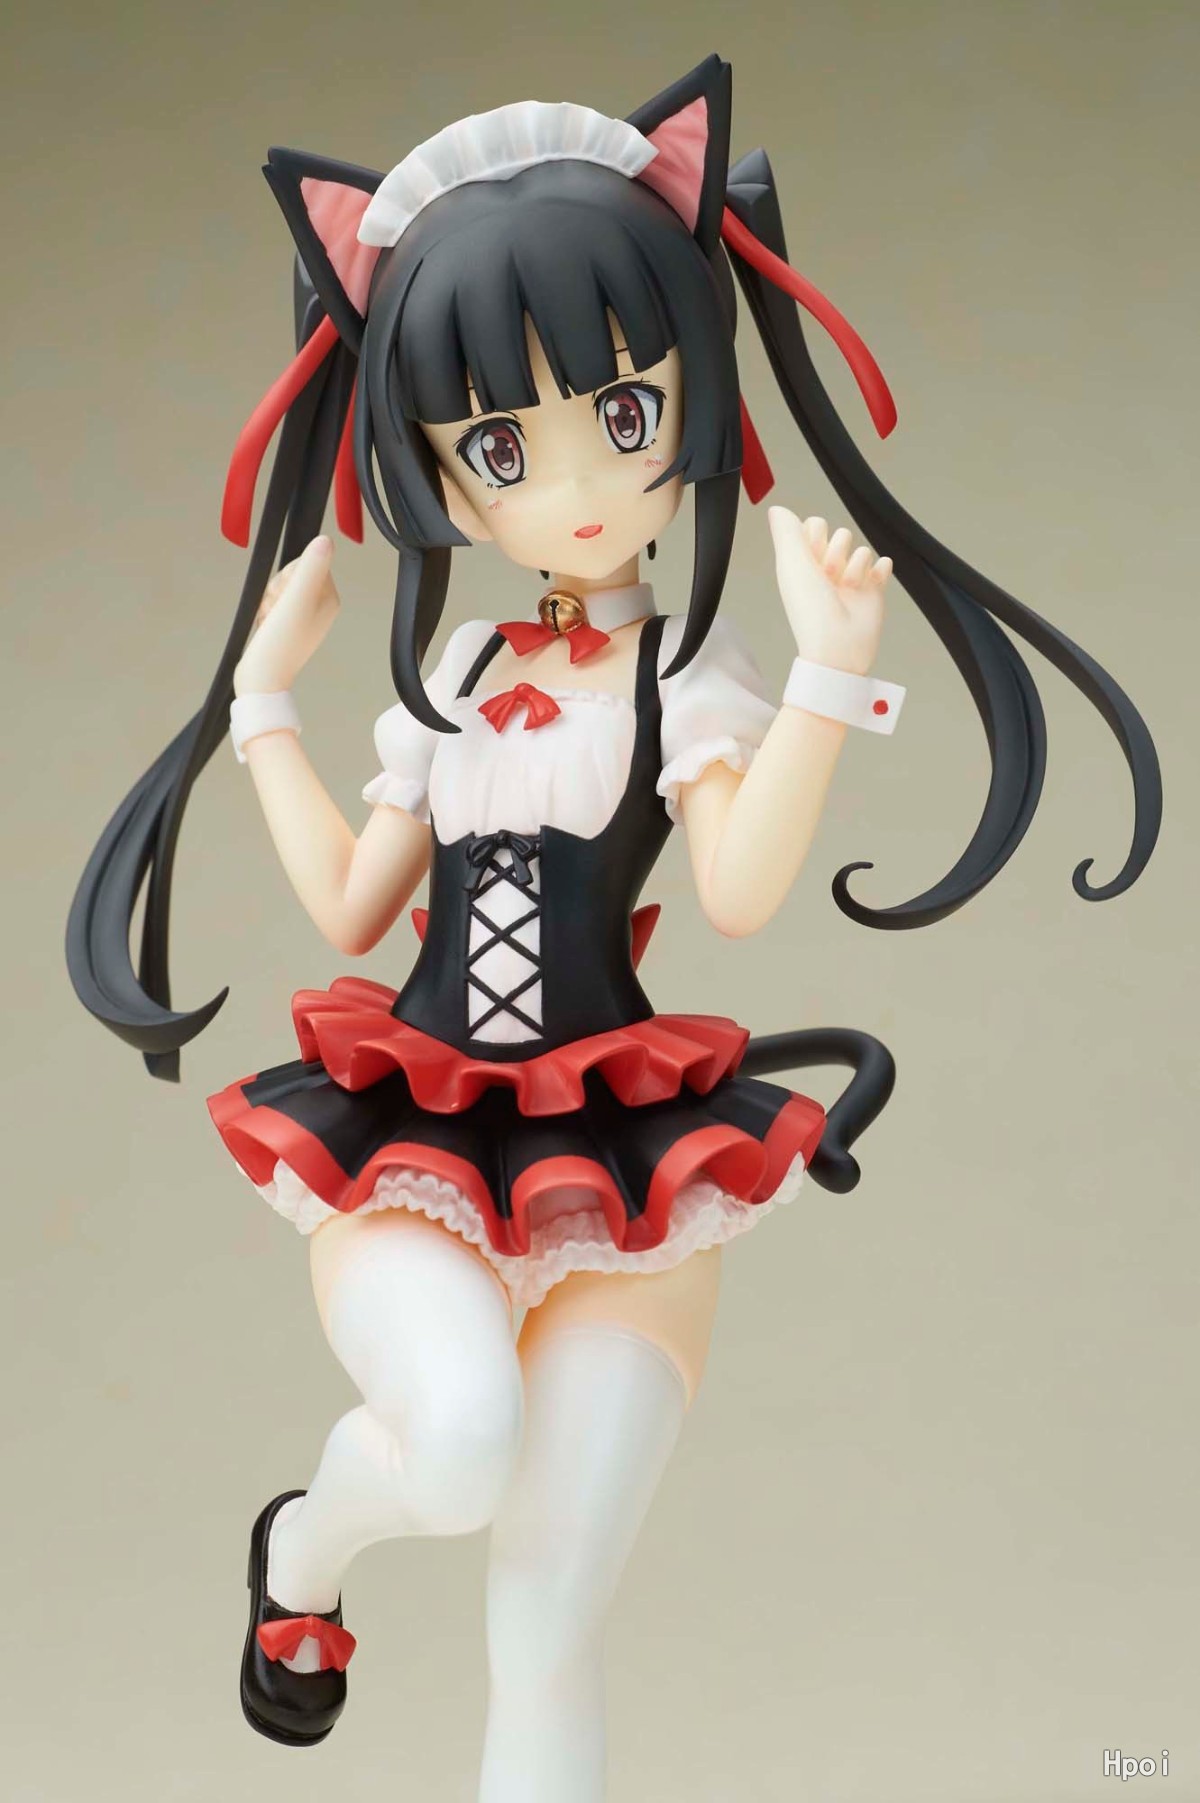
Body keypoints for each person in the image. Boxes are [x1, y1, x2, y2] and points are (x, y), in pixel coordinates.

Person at [66, 54, 1159, 1802]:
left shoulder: (687, 676)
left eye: (627, 414)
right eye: (502, 447)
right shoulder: (456, 671)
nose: (575, 484)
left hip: (625, 1173)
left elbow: (736, 894)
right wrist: (262, 705)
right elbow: (352, 903)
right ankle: (303, 1551)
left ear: (695, 399)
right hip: (414, 1145)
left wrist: (831, 677)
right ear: (440, 475)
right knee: (456, 1448)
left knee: (547, 1615)